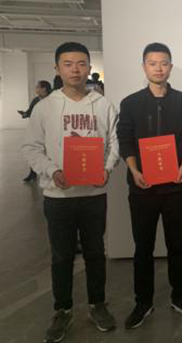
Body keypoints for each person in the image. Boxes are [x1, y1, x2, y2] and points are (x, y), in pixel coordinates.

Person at [21, 42, 119, 343]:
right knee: (62, 256)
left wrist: (107, 169)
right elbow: (31, 147)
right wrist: (52, 171)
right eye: (68, 64)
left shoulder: (102, 105)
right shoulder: (45, 107)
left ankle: (97, 304)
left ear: (89, 67)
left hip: (93, 195)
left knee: (95, 254)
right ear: (57, 68)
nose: (75, 69)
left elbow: (114, 142)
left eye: (81, 63)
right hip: (58, 197)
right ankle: (62, 310)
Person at [117, 42, 182, 329]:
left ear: (170, 67)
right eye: (152, 63)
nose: (158, 68)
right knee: (143, 248)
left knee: (178, 245)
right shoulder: (130, 103)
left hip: (175, 187)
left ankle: (180, 296)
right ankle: (143, 302)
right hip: (142, 188)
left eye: (164, 63)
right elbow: (125, 139)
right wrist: (134, 170)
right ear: (144, 67)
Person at [19, 80, 52, 182]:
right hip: (38, 129)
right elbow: (30, 112)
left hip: (50, 129)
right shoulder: (35, 100)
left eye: (38, 87)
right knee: (35, 150)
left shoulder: (52, 99)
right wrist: (24, 114)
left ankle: (52, 172)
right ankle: (33, 173)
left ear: (44, 88)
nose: (36, 89)